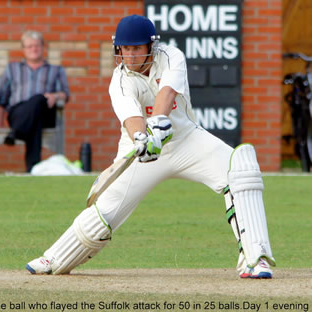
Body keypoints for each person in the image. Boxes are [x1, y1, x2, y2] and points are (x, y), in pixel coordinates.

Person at [26, 15, 276, 279]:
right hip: (142, 151)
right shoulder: (119, 81)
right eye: (125, 49)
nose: (130, 56)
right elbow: (131, 118)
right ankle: (55, 257)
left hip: (187, 140)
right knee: (104, 211)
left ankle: (255, 258)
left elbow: (166, 94)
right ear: (118, 49)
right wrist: (142, 139)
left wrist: (157, 126)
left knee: (241, 169)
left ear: (150, 46)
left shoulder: (171, 56)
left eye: (136, 48)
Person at [0, 30, 70, 172]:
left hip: (46, 113)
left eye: (37, 46)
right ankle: (32, 169)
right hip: (18, 113)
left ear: (43, 47)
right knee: (34, 119)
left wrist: (56, 97)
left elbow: (65, 94)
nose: (33, 49)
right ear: (23, 49)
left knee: (39, 100)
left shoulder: (56, 70)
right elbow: (2, 98)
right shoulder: (12, 68)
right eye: (29, 46)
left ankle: (16, 132)